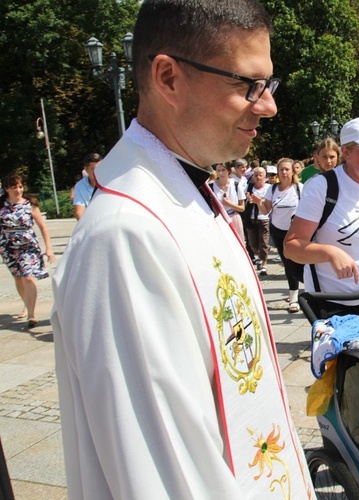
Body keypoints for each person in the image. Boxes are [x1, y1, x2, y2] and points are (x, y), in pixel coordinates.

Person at [51, 1, 313, 497]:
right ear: (169, 78)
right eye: (247, 85)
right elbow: (166, 474)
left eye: (269, 84)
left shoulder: (191, 201)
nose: (269, 105)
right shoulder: (125, 238)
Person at [284, 117, 359, 319]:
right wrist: (329, 252)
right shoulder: (322, 187)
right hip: (331, 301)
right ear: (346, 152)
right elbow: (291, 247)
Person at [0, 174, 54, 328]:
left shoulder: (30, 205)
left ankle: (31, 314)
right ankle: (26, 303)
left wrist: (48, 248)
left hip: (27, 246)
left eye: (20, 187)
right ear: (6, 189)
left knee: (28, 277)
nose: (18, 190)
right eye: (14, 187)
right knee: (18, 278)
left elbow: (43, 227)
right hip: (8, 247)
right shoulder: (1, 206)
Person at [260, 158, 304, 312]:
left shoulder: (299, 188)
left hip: (297, 232)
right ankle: (293, 299)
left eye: (287, 169)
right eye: (281, 170)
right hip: (278, 232)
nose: (284, 172)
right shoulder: (272, 190)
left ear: (293, 171)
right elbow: (265, 210)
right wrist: (257, 201)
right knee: (288, 265)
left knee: (303, 264)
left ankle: (310, 290)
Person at [246, 166, 271, 275]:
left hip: (264, 217)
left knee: (263, 241)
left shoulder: (269, 188)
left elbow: (268, 202)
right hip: (252, 217)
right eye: (256, 175)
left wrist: (259, 200)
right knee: (252, 243)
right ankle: (261, 256)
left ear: (265, 176)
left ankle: (264, 263)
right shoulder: (249, 187)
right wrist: (248, 199)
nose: (258, 177)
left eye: (260, 175)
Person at [211, 162, 245, 237]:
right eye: (218, 170)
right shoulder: (211, 186)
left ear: (228, 171)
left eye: (223, 170)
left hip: (234, 218)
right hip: (220, 219)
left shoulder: (236, 185)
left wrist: (230, 204)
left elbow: (242, 208)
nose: (220, 173)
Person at [72, 153, 102, 219]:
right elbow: (79, 213)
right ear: (86, 169)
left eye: (101, 167)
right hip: (90, 225)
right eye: (94, 169)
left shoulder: (111, 182)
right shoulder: (80, 186)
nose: (98, 171)